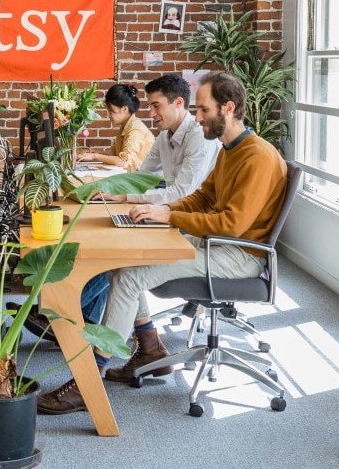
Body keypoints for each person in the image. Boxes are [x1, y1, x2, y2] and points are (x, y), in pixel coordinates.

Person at [36, 71, 288, 414]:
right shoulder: (231, 149)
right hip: (215, 241)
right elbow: (201, 198)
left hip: (238, 254)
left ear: (228, 108)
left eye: (204, 110)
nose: (198, 117)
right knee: (123, 263)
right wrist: (163, 210)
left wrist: (169, 217)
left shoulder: (256, 156)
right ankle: (150, 348)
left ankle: (88, 382)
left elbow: (231, 224)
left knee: (130, 278)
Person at [20, 74, 220, 334]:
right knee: (106, 242)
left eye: (156, 106)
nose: (150, 113)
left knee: (113, 255)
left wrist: (124, 196)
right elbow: (139, 177)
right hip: (167, 212)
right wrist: (106, 189)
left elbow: (183, 193)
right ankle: (132, 333)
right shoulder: (164, 137)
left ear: (178, 103)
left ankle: (64, 314)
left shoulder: (199, 138)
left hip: (191, 224)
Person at [76, 84, 155, 172]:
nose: (108, 115)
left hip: (142, 178)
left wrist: (94, 156)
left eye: (111, 110)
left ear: (124, 109)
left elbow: (124, 162)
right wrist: (95, 152)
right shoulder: (126, 126)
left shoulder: (136, 130)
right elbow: (114, 153)